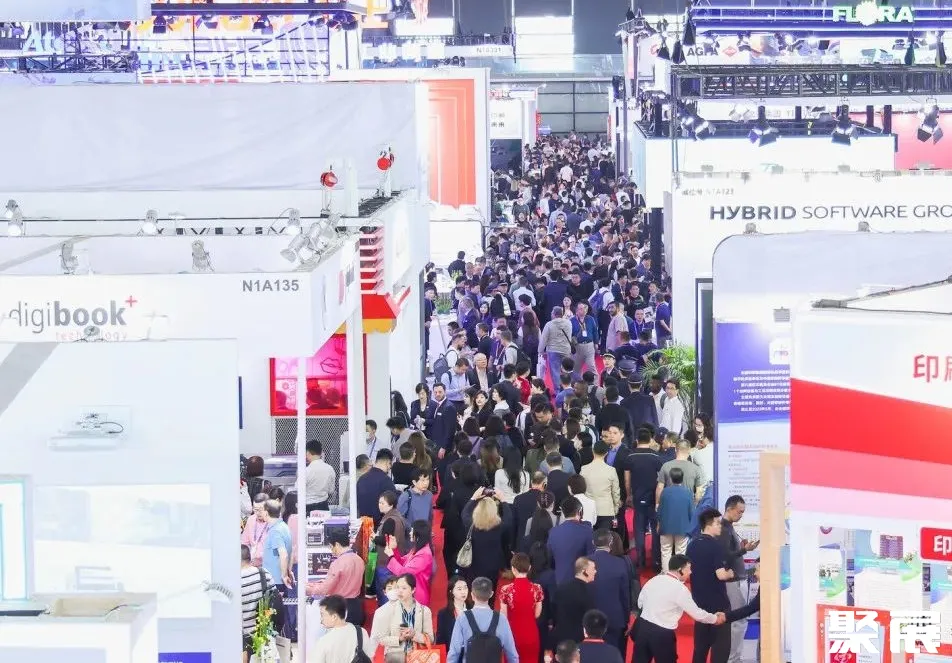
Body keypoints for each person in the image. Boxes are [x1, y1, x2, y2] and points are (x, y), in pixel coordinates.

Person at [632, 554, 725, 663]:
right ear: (680, 570)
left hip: (642, 629)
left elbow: (640, 603)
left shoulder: (655, 579)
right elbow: (697, 614)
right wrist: (715, 619)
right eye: (688, 569)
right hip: (662, 634)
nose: (690, 572)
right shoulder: (680, 589)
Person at [687, 509, 733, 663]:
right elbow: (721, 575)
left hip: (700, 604)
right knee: (721, 650)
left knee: (700, 649)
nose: (720, 526)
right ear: (709, 525)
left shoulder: (692, 545)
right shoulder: (715, 546)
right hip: (719, 605)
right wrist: (730, 573)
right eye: (718, 523)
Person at [719, 495, 758, 663]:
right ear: (730, 509)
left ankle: (734, 657)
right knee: (739, 621)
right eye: (739, 511)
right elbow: (724, 556)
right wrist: (743, 550)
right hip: (732, 582)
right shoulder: (724, 529)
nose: (741, 515)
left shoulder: (729, 528)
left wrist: (743, 549)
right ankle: (734, 659)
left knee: (739, 620)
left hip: (737, 580)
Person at [447, 576, 520, 663]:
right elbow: (512, 654)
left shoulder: (462, 618)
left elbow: (454, 652)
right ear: (491, 594)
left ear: (472, 595)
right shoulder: (501, 618)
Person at [305, 530, 366, 626]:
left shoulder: (338, 563)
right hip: (356, 606)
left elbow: (326, 589)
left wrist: (308, 590)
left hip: (340, 607)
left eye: (331, 546)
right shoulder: (359, 560)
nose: (332, 550)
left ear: (337, 544)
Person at [461, 489, 513, 596]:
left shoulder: (471, 524)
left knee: (474, 589)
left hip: (474, 563)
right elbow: (509, 517)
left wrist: (473, 498)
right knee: (491, 590)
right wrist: (503, 500)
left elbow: (464, 513)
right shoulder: (499, 526)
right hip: (493, 565)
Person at [372, 573, 435, 662]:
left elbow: (430, 639)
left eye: (404, 588)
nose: (399, 591)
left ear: (413, 590)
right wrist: (399, 639)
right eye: (398, 587)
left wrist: (414, 635)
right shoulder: (388, 610)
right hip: (395, 658)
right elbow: (381, 639)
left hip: (418, 658)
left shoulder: (425, 611)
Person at [626, 428, 663, 571]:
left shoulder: (630, 456)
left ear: (637, 440)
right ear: (650, 440)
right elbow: (661, 480)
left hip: (637, 496)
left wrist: (628, 495)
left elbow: (627, 480)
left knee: (639, 529)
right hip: (653, 497)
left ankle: (640, 561)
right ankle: (655, 561)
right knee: (655, 528)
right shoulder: (656, 457)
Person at [590, 528, 631, 655]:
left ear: (593, 542)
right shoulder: (620, 563)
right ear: (611, 542)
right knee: (614, 652)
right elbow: (625, 594)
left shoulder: (584, 562)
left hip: (590, 617)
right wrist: (626, 618)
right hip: (615, 617)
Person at [500, 552, 544, 663]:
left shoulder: (506, 590)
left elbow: (503, 616)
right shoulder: (537, 588)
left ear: (513, 568)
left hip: (512, 634)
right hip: (531, 633)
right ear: (529, 568)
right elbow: (537, 614)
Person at [310, 595, 375, 663]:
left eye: (322, 615)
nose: (321, 619)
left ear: (334, 617)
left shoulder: (324, 641)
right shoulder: (361, 632)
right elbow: (370, 658)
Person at [386, 520, 435, 607]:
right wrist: (394, 549)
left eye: (412, 530)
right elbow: (403, 562)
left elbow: (404, 572)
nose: (410, 533)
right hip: (411, 591)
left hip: (417, 596)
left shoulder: (424, 554)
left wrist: (391, 557)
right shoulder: (418, 549)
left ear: (419, 533)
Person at [547, 497, 595, 585]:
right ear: (579, 511)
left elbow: (550, 557)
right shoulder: (587, 531)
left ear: (563, 512)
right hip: (581, 581)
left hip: (560, 580)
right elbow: (591, 558)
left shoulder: (553, 532)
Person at [551, 556, 596, 648]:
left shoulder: (561, 588)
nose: (595, 571)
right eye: (593, 568)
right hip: (580, 642)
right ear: (584, 571)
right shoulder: (588, 592)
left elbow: (554, 612)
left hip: (560, 640)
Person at [657, 467, 695, 573]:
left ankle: (666, 574)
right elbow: (691, 512)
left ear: (671, 478)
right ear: (682, 478)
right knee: (680, 552)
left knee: (665, 551)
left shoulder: (665, 492)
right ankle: (679, 574)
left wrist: (658, 523)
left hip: (666, 526)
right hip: (683, 526)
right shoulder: (688, 492)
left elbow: (660, 510)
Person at [241, 544, 274, 663]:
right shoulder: (264, 573)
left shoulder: (235, 580)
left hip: (243, 638)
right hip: (263, 634)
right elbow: (274, 601)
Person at [580, 440, 620, 532]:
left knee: (589, 537)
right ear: (606, 453)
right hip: (606, 510)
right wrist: (616, 508)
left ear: (593, 451)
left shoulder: (584, 469)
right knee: (604, 538)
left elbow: (581, 489)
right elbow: (616, 492)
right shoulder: (611, 470)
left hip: (588, 510)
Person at [357, 449, 396, 523]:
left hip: (364, 523)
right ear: (388, 462)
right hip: (380, 525)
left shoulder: (361, 479)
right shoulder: (386, 481)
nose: (390, 467)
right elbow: (393, 505)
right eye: (390, 464)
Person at [261, 499, 293, 591]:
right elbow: (291, 552)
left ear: (266, 513)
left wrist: (284, 575)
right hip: (279, 579)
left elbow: (284, 554)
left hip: (275, 580)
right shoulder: (284, 526)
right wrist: (289, 571)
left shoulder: (275, 531)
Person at [436, 576, 472, 647]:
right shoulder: (444, 614)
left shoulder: (473, 610)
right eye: (459, 589)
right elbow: (441, 639)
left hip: (471, 651)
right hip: (453, 651)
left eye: (465, 588)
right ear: (451, 591)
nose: (463, 592)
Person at [305, 439, 336, 513]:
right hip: (324, 507)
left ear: (308, 452)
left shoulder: (306, 471)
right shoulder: (330, 469)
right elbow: (331, 490)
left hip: (308, 508)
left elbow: (298, 490)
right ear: (321, 452)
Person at [241, 492, 270, 566]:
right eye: (255, 509)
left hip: (269, 564)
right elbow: (244, 543)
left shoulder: (273, 522)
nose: (258, 513)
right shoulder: (251, 519)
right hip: (252, 564)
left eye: (260, 510)